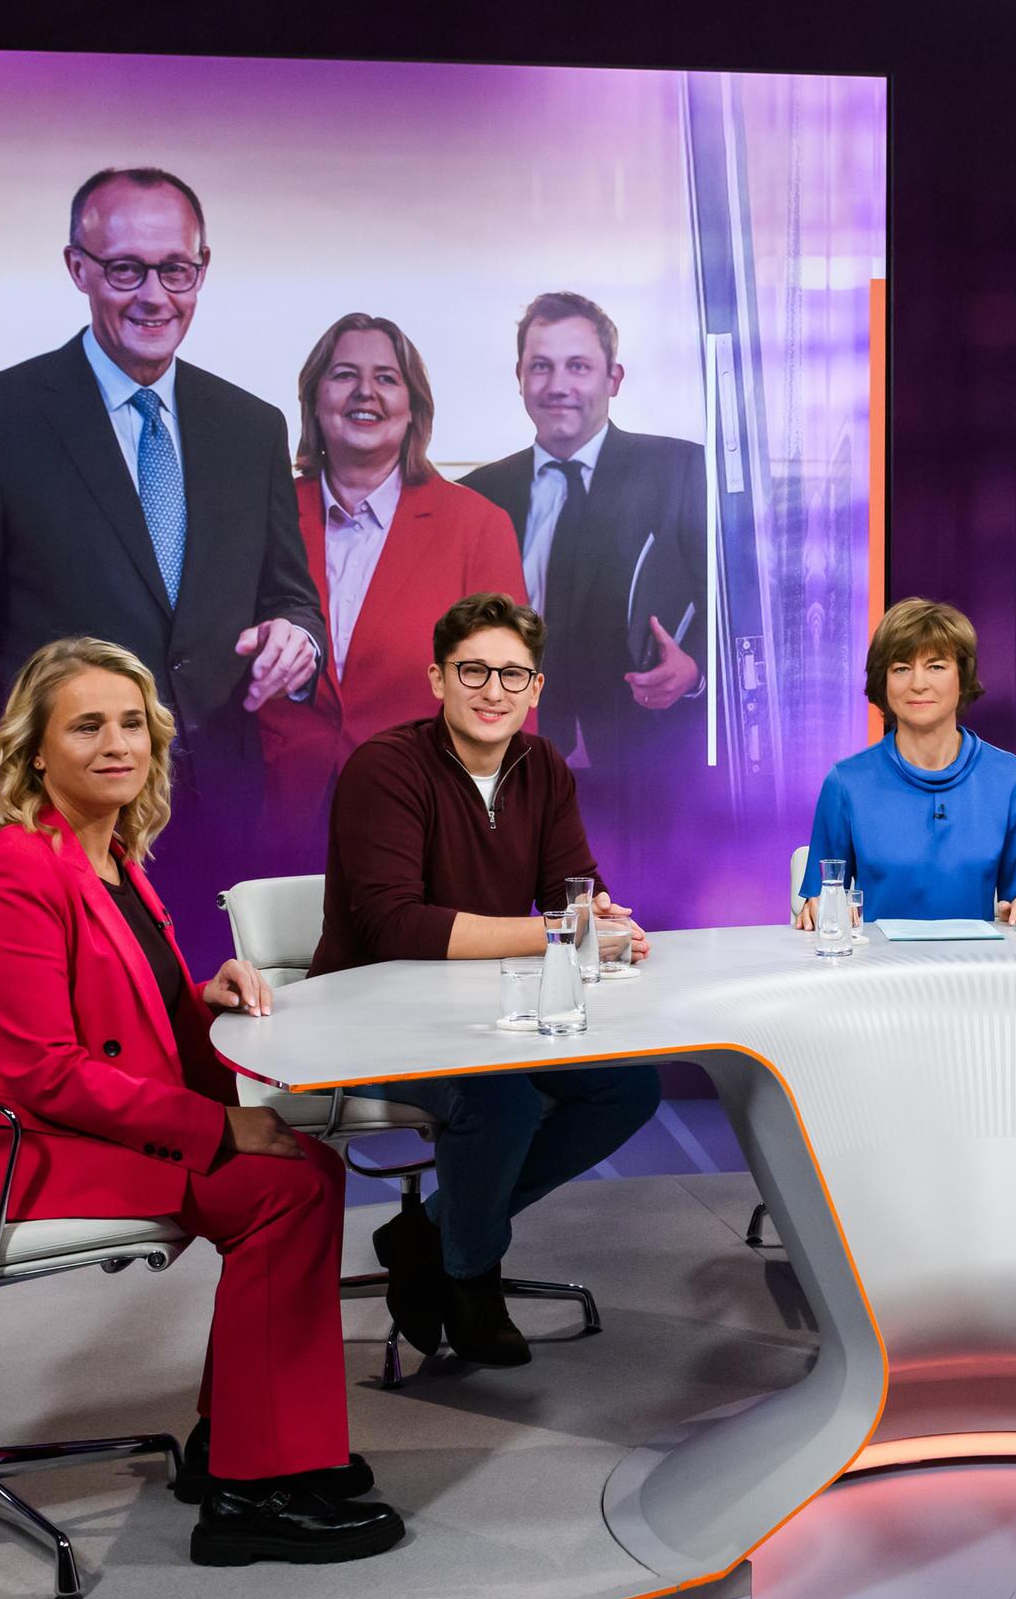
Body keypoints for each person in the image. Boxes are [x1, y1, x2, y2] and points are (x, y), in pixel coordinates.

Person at [0, 637, 404, 1567]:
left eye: (132, 723)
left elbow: (118, 1013)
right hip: (10, 1147)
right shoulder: (15, 869)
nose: (117, 743)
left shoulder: (114, 856)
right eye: (86, 726)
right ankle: (253, 1495)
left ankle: (243, 1441)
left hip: (68, 1125)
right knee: (282, 1189)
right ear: (34, 752)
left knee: (308, 1170)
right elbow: (45, 1071)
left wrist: (200, 995)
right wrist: (217, 1126)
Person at [312, 591, 663, 1367]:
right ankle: (470, 1274)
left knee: (628, 1086)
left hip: (485, 1015)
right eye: (473, 670)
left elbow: (571, 889)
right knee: (499, 1099)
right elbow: (397, 927)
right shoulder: (384, 768)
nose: (493, 690)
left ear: (536, 688)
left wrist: (601, 917)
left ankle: (433, 1230)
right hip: (369, 1018)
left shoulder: (543, 767)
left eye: (513, 674)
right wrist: (562, 931)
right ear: (437, 678)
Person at [0, 167, 324, 803]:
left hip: (221, 811)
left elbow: (290, 597)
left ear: (202, 268)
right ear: (78, 268)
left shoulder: (252, 428)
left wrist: (298, 637)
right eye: (126, 269)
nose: (154, 296)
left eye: (175, 269)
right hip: (55, 815)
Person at [456, 291, 707, 872]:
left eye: (578, 366)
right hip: (507, 772)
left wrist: (695, 671)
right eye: (541, 366)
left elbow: (739, 607)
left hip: (646, 776)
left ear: (613, 378)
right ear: (520, 378)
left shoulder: (682, 471)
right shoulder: (476, 496)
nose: (557, 385)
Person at [256, 313, 525, 838]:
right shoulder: (264, 511)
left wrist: (498, 820)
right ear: (314, 399)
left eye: (386, 378)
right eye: (344, 375)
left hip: (422, 812)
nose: (365, 392)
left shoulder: (477, 525)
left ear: (414, 407)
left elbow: (507, 688)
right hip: (275, 812)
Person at [794, 597, 1016, 927]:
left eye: (936, 666)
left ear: (963, 677)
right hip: (877, 961)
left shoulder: (1008, 777)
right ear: (883, 683)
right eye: (901, 668)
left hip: (976, 960)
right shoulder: (846, 782)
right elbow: (819, 906)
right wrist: (818, 909)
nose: (918, 684)